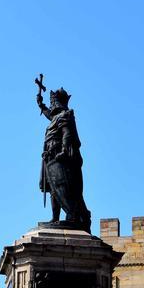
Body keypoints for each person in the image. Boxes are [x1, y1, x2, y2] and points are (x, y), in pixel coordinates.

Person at [36, 80, 91, 233]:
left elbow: (67, 134)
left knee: (63, 186)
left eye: (52, 103)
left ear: (57, 103)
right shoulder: (56, 117)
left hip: (59, 156)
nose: (51, 106)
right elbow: (50, 116)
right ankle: (55, 217)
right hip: (50, 157)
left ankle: (73, 215)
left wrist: (64, 151)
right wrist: (41, 106)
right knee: (54, 189)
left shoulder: (65, 116)